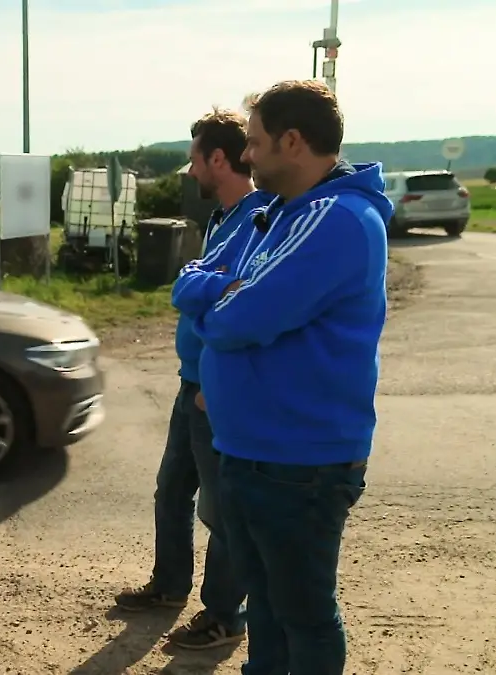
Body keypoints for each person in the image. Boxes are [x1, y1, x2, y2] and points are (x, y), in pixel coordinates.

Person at [171, 80, 393, 674]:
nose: (246, 156)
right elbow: (190, 279)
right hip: (251, 452)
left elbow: (239, 321)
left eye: (256, 142)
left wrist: (224, 298)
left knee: (303, 617)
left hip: (300, 464)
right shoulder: (272, 214)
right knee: (267, 609)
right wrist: (223, 287)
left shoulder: (337, 219)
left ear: (292, 142)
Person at [114, 108, 272, 650]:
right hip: (192, 381)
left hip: (214, 388)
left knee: (223, 510)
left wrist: (200, 286)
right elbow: (201, 286)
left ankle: (226, 615)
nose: (189, 170)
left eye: (194, 159)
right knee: (172, 490)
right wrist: (202, 283)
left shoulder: (258, 220)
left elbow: (234, 297)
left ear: (219, 159)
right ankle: (169, 585)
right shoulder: (222, 218)